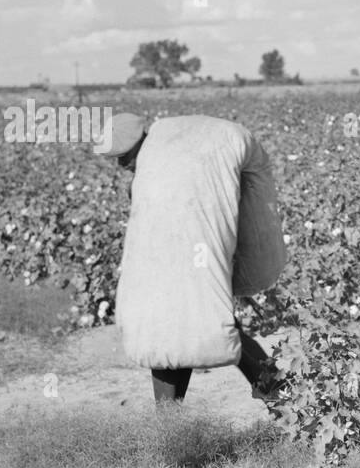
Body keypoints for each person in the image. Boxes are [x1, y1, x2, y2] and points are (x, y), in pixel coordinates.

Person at [94, 111, 288, 406]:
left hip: (192, 264)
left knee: (192, 330)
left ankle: (278, 395)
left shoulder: (168, 163)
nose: (121, 164)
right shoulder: (150, 172)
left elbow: (212, 214)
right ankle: (276, 394)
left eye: (124, 156)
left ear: (140, 142)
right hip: (171, 268)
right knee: (178, 335)